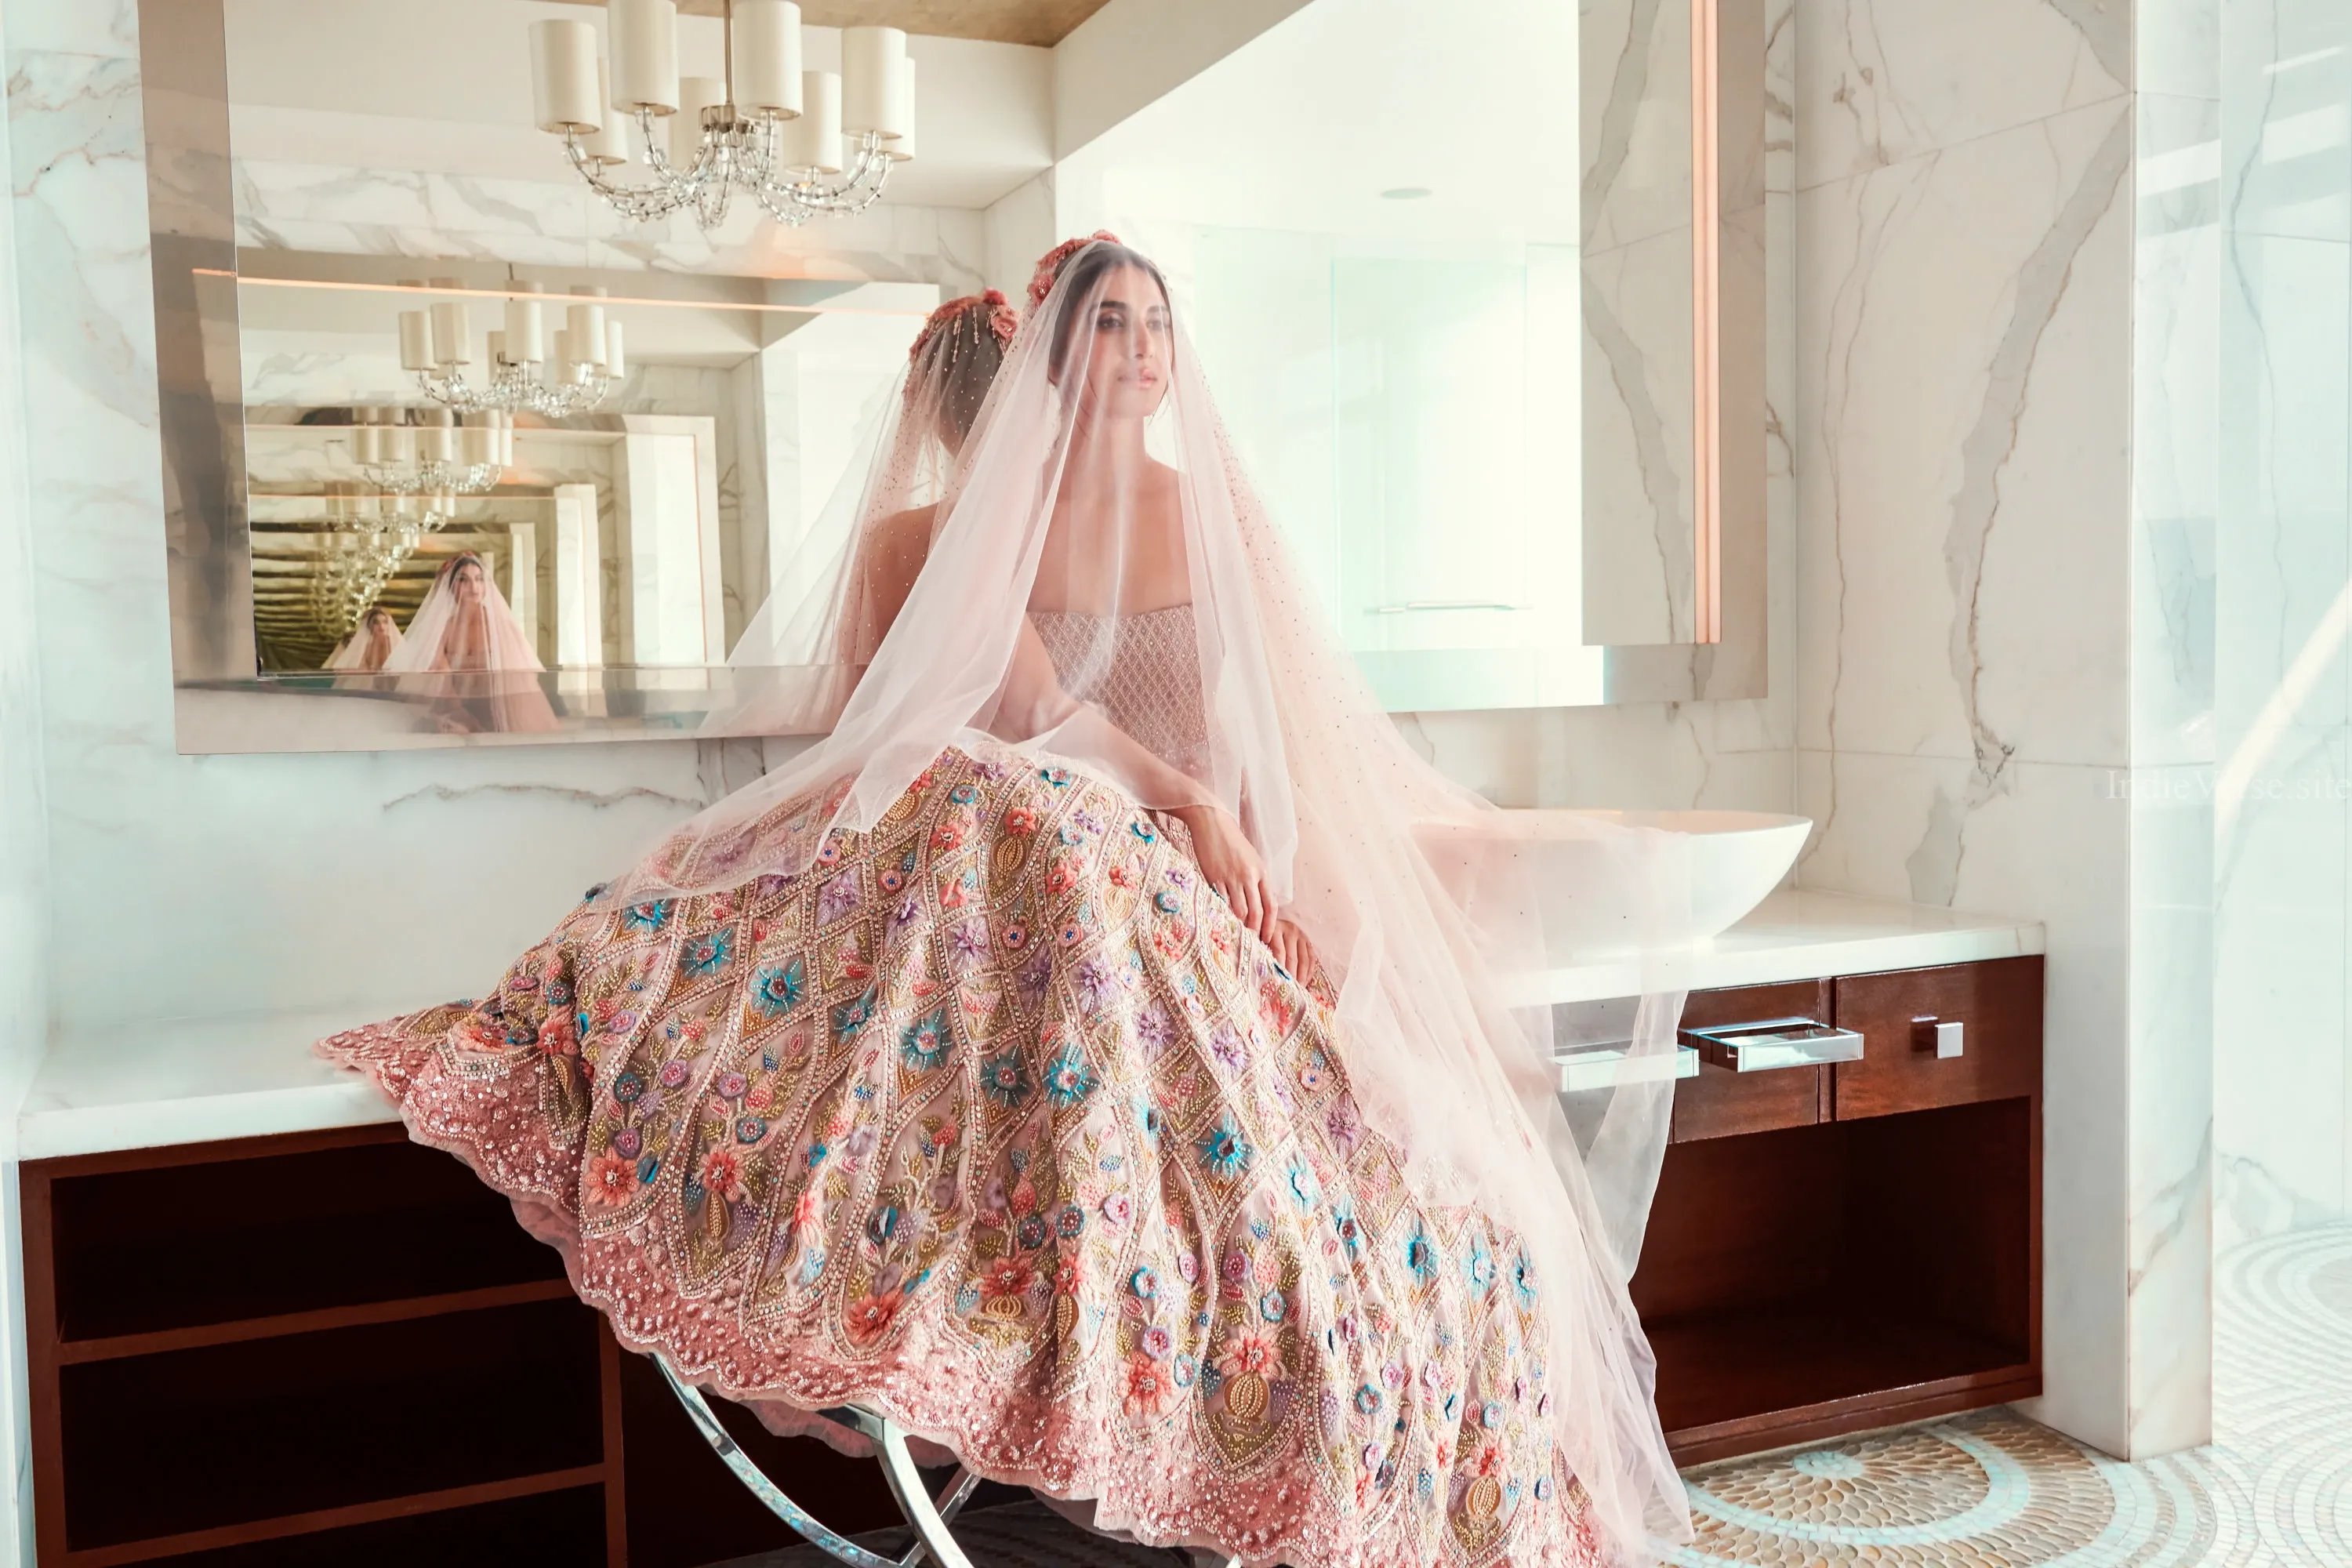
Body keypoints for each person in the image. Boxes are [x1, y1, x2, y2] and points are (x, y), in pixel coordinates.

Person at [321, 240, 1692, 1566]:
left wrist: (1261, 880)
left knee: (1385, 1193)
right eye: (1107, 322)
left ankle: (1300, 1450)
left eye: (1157, 321)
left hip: (1179, 883)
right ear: (1047, 353)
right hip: (1070, 881)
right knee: (1018, 852)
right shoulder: (985, 526)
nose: (1142, 350)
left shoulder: (1211, 514)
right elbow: (1027, 714)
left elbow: (1274, 738)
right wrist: (1176, 807)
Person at [381, 550, 560, 735]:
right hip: (457, 714)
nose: (474, 587)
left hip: (501, 713)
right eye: (463, 580)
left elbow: (516, 683)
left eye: (479, 579)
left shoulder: (500, 627)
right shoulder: (442, 629)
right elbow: (441, 680)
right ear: (450, 586)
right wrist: (462, 716)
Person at [326, 605, 403, 673]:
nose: (381, 627)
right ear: (370, 625)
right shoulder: (361, 645)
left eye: (385, 622)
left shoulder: (390, 642)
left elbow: (390, 669)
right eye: (376, 623)